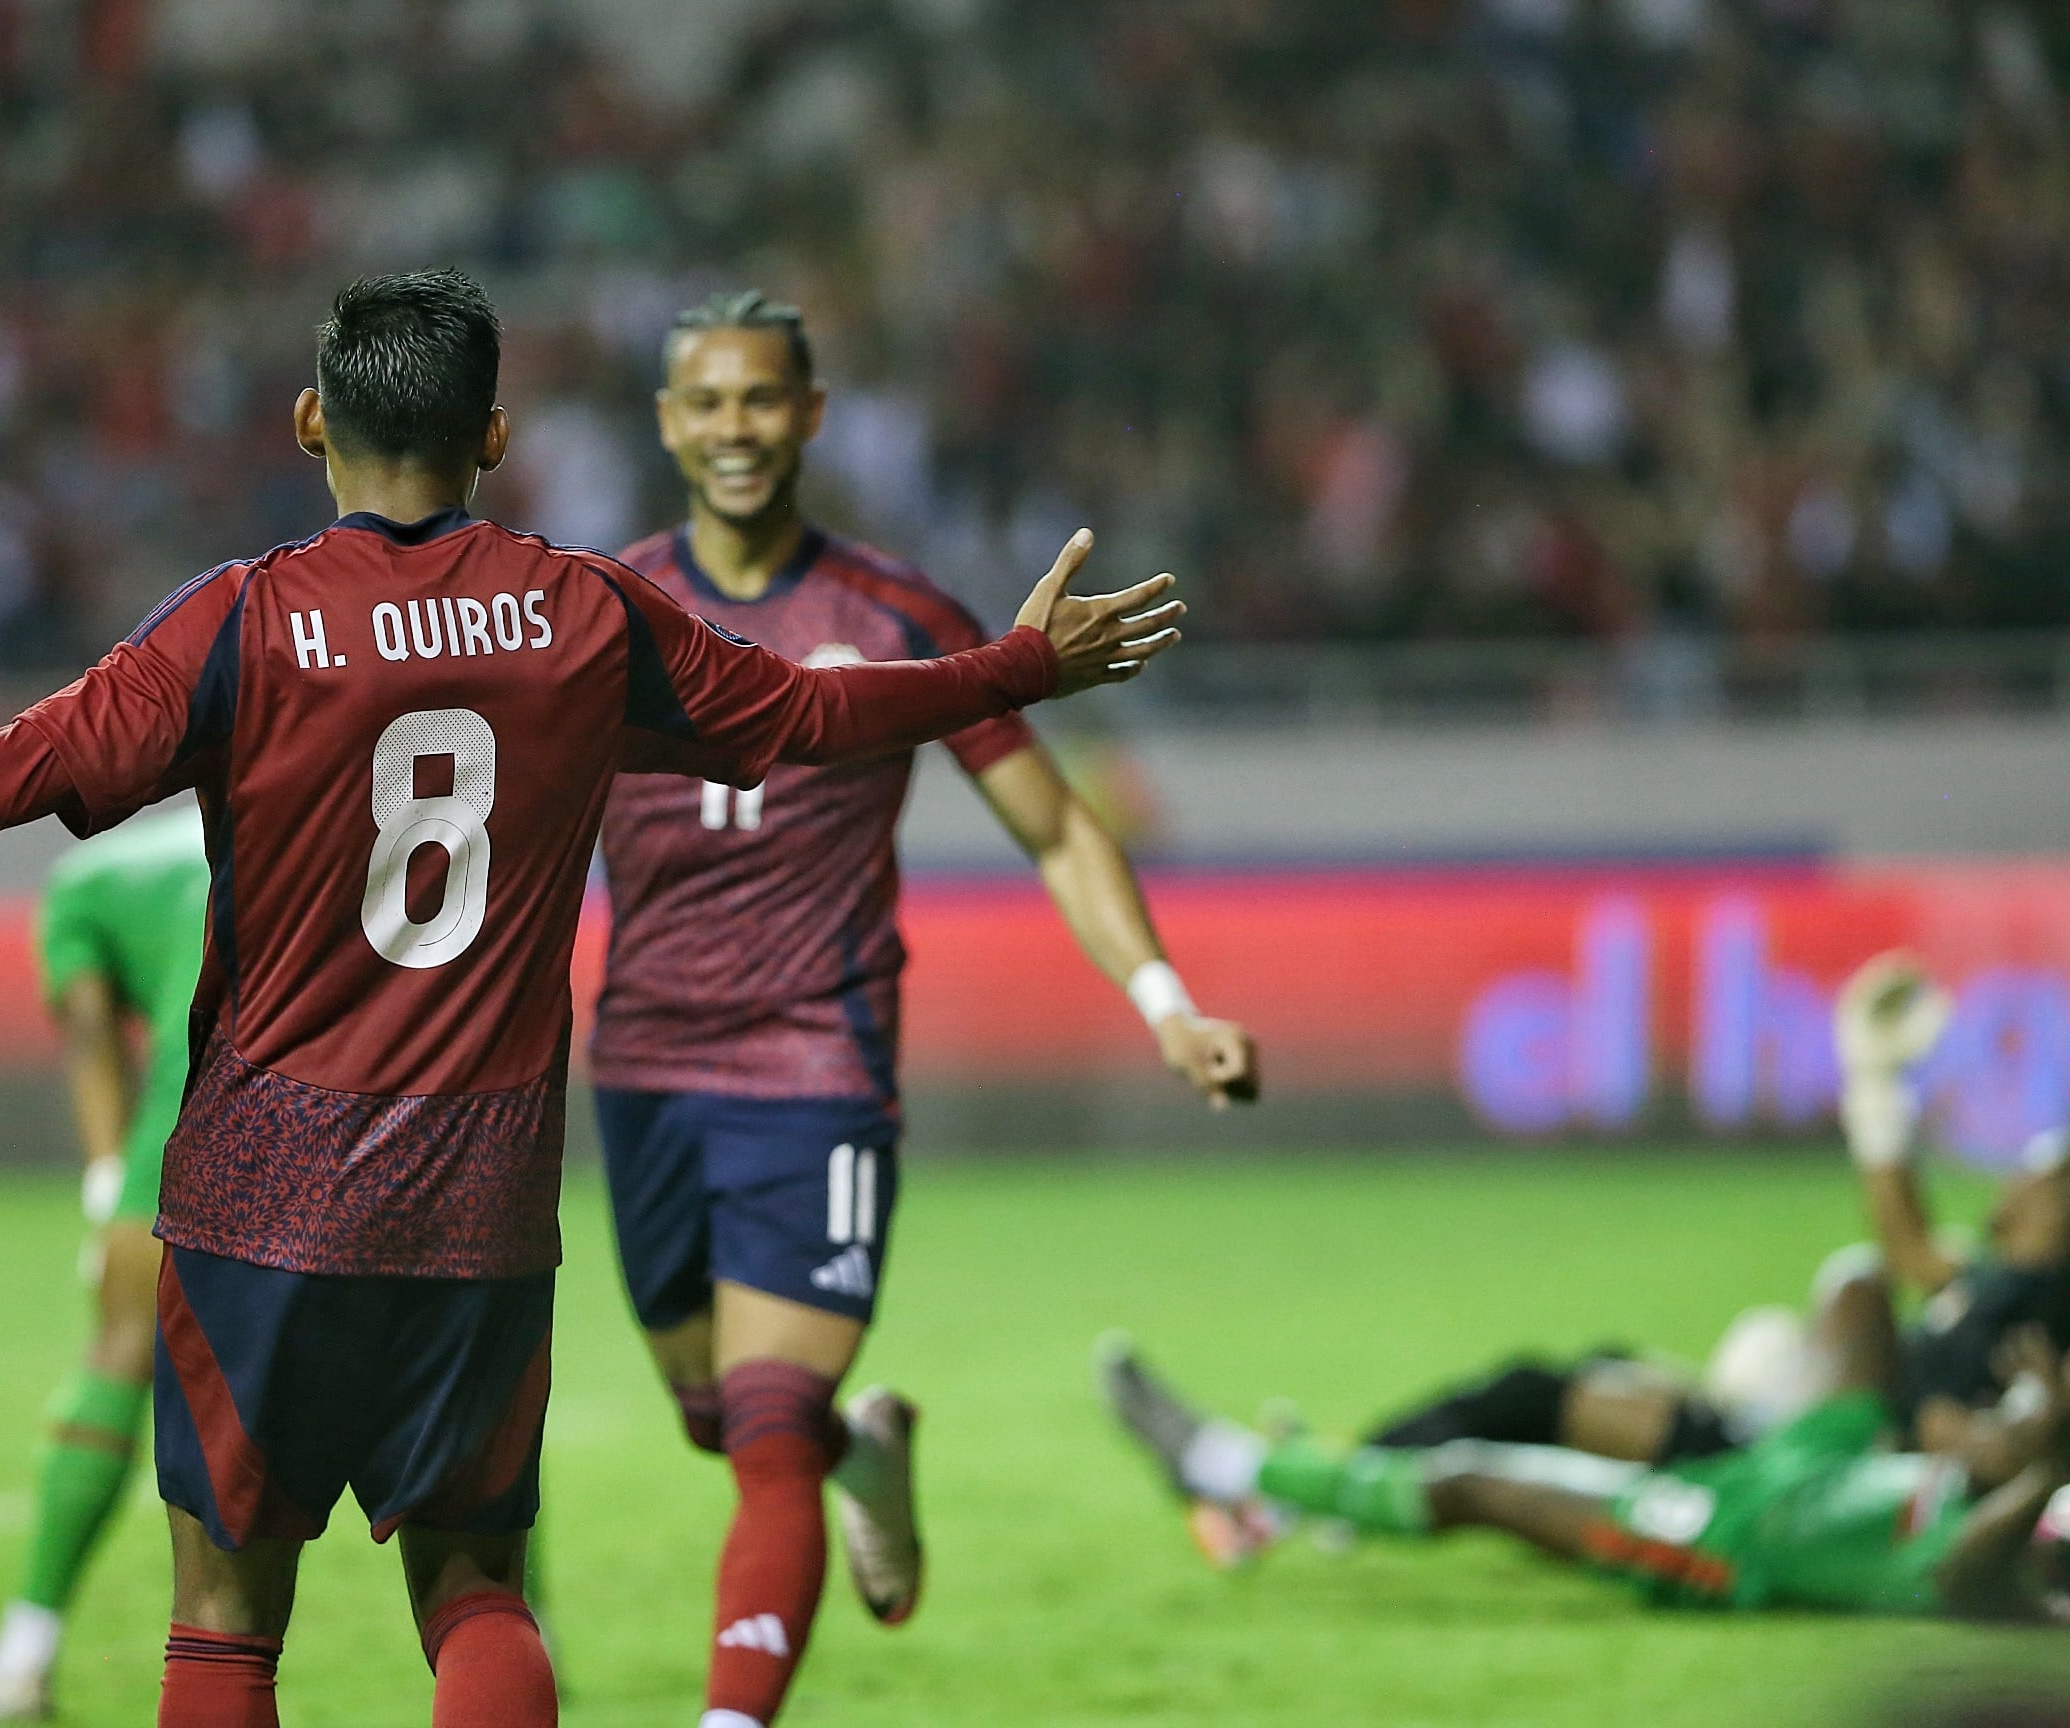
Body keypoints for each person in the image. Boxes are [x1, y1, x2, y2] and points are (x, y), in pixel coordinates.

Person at [0, 266, 1184, 1728]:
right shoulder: (591, 615)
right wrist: (1024, 664)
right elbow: (820, 721)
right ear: (497, 434)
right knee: (473, 1588)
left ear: (309, 422)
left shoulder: (235, 622)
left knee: (225, 1615)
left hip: (258, 1187)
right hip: (479, 1192)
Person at [588, 291, 1260, 1728]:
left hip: (819, 1059)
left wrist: (1164, 1003)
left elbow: (1061, 830)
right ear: (666, 423)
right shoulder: (603, 610)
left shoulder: (897, 613)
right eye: (706, 403)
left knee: (764, 1433)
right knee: (720, 1416)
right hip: (642, 1062)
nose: (735, 430)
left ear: (812, 414)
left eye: (762, 400)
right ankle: (864, 1459)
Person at [1325, 954, 2070, 1478]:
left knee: (1531, 1397)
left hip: (1792, 1463)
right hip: (1793, 1435)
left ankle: (1331, 1482)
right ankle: (1355, 1467)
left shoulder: (2048, 1307)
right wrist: (1877, 1089)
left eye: (2040, 1169)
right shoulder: (1987, 1280)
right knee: (1598, 1373)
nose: (2015, 1178)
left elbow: (1960, 1413)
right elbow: (1906, 1235)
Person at [1096, 1275, 2070, 1623]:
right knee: (1854, 1284)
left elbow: (1966, 1580)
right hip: (1825, 1456)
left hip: (1743, 1533)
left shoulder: (2027, 1564)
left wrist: (2040, 1465)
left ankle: (1226, 1467)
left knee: (1478, 1481)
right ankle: (1274, 1491)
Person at [0, 805, 209, 1721]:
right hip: (382, 1097)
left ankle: (23, 1655)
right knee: (430, 1368)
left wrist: (110, 1186)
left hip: (205, 1096)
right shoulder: (290, 812)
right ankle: (511, 1622)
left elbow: (91, 1028)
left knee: (121, 1349)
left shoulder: (85, 883)